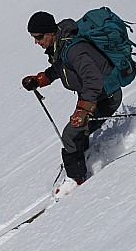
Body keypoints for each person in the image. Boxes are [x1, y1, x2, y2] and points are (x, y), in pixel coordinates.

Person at [22, 11, 122, 185]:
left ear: (50, 32)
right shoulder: (60, 45)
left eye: (38, 37)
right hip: (94, 96)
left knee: (71, 134)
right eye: (33, 37)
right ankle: (82, 158)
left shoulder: (74, 49)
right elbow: (62, 68)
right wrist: (41, 79)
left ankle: (76, 180)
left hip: (106, 96)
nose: (36, 42)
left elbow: (93, 80)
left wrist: (83, 110)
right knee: (77, 133)